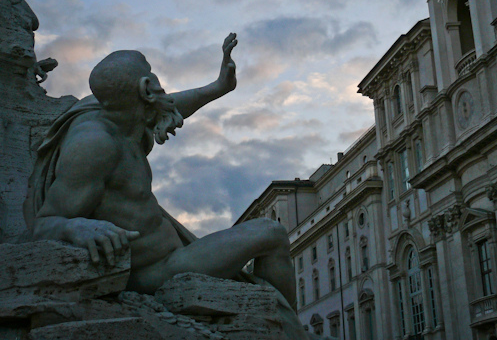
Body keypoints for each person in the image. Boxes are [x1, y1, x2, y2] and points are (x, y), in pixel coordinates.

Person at [25, 33, 296, 308]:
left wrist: (219, 87)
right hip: (154, 273)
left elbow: (167, 104)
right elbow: (44, 224)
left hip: (173, 254)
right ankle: (289, 329)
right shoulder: (95, 144)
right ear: (145, 88)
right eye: (152, 75)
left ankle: (281, 322)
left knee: (265, 237)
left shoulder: (117, 110)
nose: (159, 83)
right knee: (271, 233)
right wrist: (75, 226)